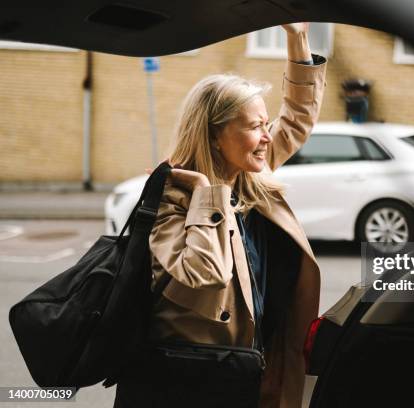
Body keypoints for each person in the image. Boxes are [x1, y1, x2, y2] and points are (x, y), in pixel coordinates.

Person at [112, 22, 326, 408]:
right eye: (255, 126)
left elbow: (298, 116)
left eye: (266, 125)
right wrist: (204, 193)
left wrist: (296, 37)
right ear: (214, 135)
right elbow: (201, 274)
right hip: (198, 385)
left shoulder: (248, 176)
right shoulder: (172, 200)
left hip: (258, 370)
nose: (267, 136)